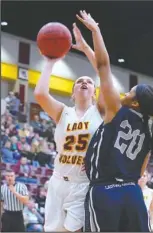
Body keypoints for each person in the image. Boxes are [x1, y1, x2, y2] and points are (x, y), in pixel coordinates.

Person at [78, 10, 153, 231]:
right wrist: (85, 49)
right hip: (132, 194)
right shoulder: (150, 131)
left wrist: (96, 31)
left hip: (105, 193)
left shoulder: (117, 111)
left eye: (129, 92)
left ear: (136, 103)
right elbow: (139, 173)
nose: (124, 93)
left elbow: (103, 67)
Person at [34, 18, 105, 232]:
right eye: (79, 82)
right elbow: (39, 94)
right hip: (58, 181)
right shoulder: (63, 112)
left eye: (89, 81)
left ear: (95, 92)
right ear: (72, 93)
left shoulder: (100, 111)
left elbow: (104, 70)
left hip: (84, 183)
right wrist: (49, 61)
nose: (84, 82)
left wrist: (85, 48)